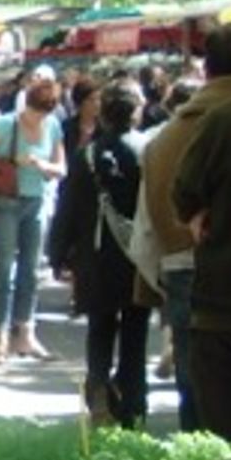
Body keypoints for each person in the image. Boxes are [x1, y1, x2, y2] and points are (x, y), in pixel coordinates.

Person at [143, 36, 231, 436]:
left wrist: (195, 217)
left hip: (218, 293)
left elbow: (184, 194)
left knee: (214, 426)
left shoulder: (215, 122)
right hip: (214, 291)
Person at [49, 84, 151, 426]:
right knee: (136, 330)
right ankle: (133, 401)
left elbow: (68, 208)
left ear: (103, 114)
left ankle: (98, 389)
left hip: (97, 256)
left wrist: (58, 253)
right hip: (139, 256)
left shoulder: (87, 155)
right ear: (135, 112)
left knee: (101, 326)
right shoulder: (148, 152)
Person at [0, 78, 66, 360]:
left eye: (41, 114)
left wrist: (42, 165)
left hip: (36, 202)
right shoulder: (7, 124)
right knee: (5, 269)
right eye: (33, 112)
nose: (36, 119)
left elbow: (61, 168)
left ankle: (26, 334)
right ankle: (1, 336)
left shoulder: (52, 126)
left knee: (30, 271)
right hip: (5, 203)